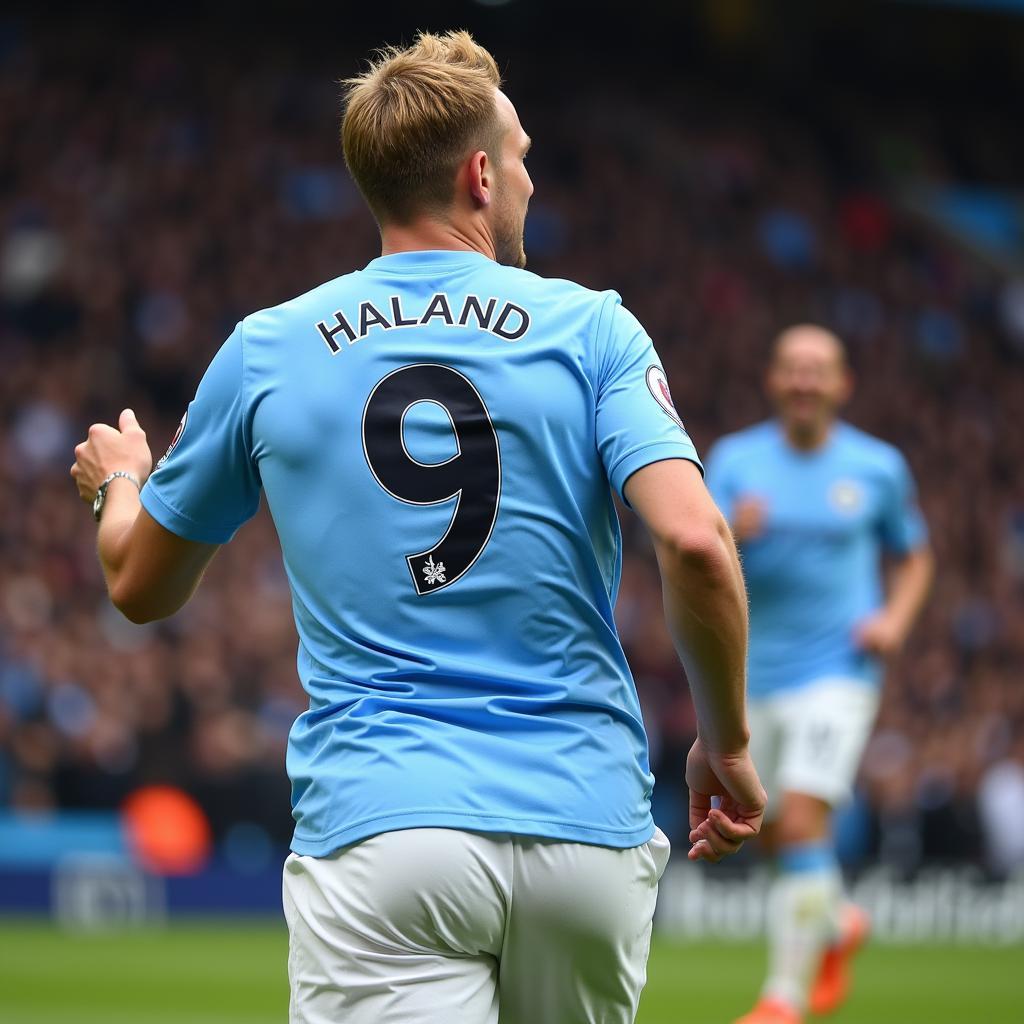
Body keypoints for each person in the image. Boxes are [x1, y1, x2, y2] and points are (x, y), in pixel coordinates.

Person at [70, 30, 765, 1024]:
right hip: (584, 831)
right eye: (522, 157)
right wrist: (725, 740)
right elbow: (695, 543)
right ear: (480, 174)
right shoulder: (595, 329)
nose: (529, 180)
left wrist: (121, 484)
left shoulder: (267, 349)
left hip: (385, 832)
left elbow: (140, 586)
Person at [705, 325, 934, 1024]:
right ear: (773, 380)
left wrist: (893, 621)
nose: (805, 381)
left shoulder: (877, 468)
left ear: (842, 384)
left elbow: (915, 555)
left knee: (802, 821)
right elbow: (695, 553)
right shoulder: (734, 461)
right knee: (770, 828)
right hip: (754, 674)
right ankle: (836, 920)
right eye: (792, 369)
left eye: (819, 370)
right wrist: (732, 533)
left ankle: (783, 1000)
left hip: (839, 669)